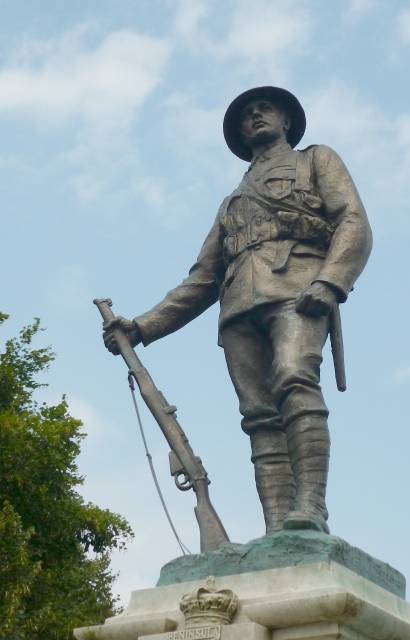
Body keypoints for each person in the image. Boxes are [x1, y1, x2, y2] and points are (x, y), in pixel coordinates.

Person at [104, 86, 372, 535]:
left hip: (298, 289)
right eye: (246, 114)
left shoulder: (316, 160)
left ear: (286, 120)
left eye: (264, 108)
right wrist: (143, 326)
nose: (255, 115)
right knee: (258, 413)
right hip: (238, 310)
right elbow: (203, 278)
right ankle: (276, 526)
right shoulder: (231, 203)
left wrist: (330, 281)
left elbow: (353, 221)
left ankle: (311, 506)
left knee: (294, 378)